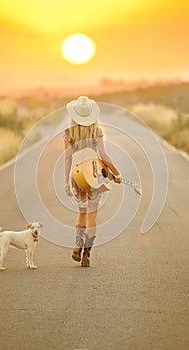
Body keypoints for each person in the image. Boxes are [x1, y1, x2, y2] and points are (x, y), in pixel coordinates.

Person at [63, 96, 121, 267]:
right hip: (94, 176)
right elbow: (103, 155)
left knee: (82, 212)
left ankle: (77, 247)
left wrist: (66, 182)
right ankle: (87, 254)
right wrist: (115, 173)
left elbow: (67, 158)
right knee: (93, 216)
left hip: (77, 176)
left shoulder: (69, 133)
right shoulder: (97, 131)